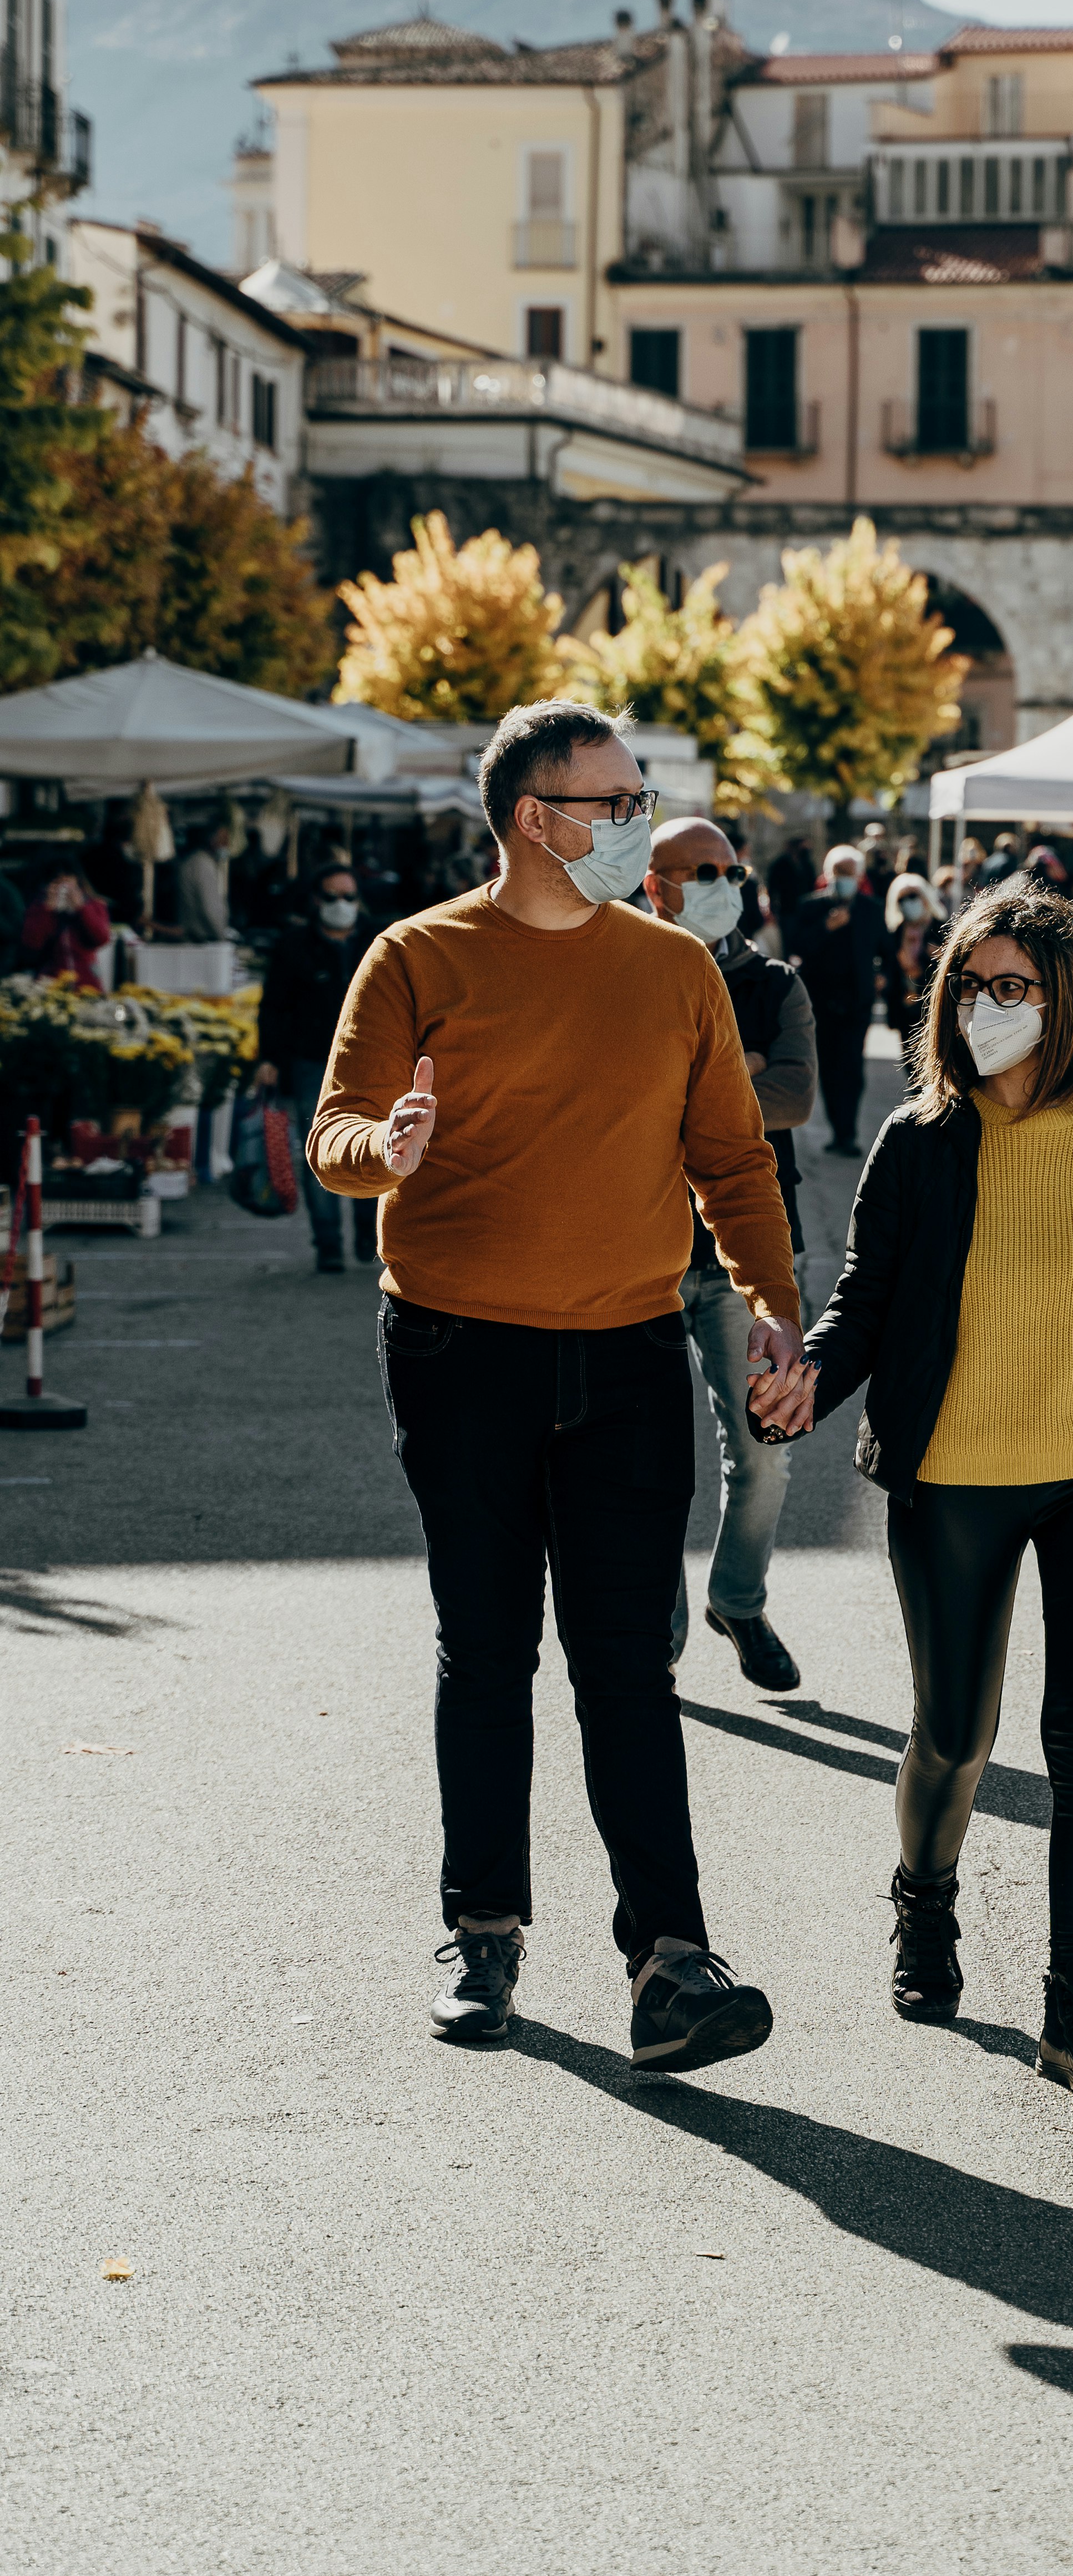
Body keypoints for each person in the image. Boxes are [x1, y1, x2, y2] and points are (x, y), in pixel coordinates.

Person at [308, 697, 806, 2072]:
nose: (639, 827)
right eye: (618, 802)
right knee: (486, 1649)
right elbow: (333, 1133)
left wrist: (774, 1304)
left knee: (623, 1661)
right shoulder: (417, 957)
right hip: (458, 1349)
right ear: (538, 816)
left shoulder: (674, 971)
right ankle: (483, 1932)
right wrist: (386, 1147)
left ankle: (672, 1957)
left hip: (633, 1352)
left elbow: (734, 1160)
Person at [754, 880, 1073, 2098]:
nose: (985, 1007)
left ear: (1066, 1000)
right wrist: (815, 1372)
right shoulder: (920, 1140)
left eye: (1011, 987)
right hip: (955, 1473)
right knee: (954, 1730)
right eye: (970, 984)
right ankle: (926, 1895)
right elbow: (865, 1290)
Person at [645, 813, 817, 1694]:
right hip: (638, 1246)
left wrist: (695, 1083)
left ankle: (738, 1601)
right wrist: (733, 1071)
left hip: (742, 1246)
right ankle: (661, 1635)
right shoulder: (627, 969)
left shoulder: (772, 981)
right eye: (701, 869)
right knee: (654, 1455)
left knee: (763, 1447)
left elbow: (793, 1096)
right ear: (655, 884)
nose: (724, 882)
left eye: (730, 869)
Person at [255, 862, 378, 1273]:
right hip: (311, 1061)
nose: (341, 905)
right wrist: (268, 1058)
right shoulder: (294, 945)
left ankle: (368, 1230)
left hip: (372, 1058)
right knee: (321, 1151)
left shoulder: (378, 940)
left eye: (348, 896)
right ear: (315, 900)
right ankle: (328, 1242)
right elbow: (273, 1006)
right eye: (331, 896)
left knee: (370, 1147)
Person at [791, 842, 881, 1157]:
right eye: (838, 873)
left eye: (849, 873)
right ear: (828, 875)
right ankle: (837, 1130)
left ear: (859, 876)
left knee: (852, 1067)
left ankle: (849, 1132)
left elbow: (884, 949)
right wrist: (826, 928)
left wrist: (883, 976)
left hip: (857, 1002)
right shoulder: (811, 907)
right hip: (821, 1000)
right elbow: (797, 945)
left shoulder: (871, 909)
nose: (843, 879)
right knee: (829, 1066)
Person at [879, 870, 946, 1069]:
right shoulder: (895, 932)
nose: (909, 902)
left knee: (935, 1064)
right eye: (902, 899)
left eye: (913, 896)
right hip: (905, 1010)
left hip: (934, 1008)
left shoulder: (941, 929)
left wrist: (936, 958)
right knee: (912, 1067)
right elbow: (886, 969)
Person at [19, 863, 111, 989]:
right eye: (57, 880)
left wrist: (82, 908)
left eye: (67, 879)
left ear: (78, 880)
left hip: (87, 984)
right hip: (51, 983)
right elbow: (32, 943)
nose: (63, 885)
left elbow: (101, 938)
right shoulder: (38, 908)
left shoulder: (94, 904)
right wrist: (47, 910)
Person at [178, 823, 234, 945]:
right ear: (211, 841)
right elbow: (210, 908)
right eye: (223, 840)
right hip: (201, 940)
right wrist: (223, 939)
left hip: (199, 939)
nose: (226, 845)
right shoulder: (202, 865)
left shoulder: (198, 862)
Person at [766, 834, 818, 952]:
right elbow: (773, 888)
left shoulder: (807, 864)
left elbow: (813, 886)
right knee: (789, 942)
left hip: (807, 909)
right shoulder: (780, 864)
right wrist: (773, 910)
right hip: (787, 909)